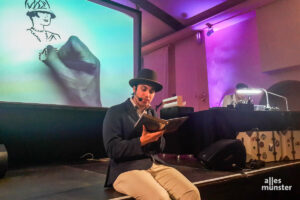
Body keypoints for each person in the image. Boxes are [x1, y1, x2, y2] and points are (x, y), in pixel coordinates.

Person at [103, 68, 201, 200]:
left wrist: (160, 135)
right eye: (143, 89)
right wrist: (141, 141)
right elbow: (112, 149)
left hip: (153, 164)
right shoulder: (115, 112)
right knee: (160, 198)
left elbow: (159, 149)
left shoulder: (152, 114)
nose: (148, 94)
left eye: (151, 91)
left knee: (191, 193)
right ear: (134, 89)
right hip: (125, 169)